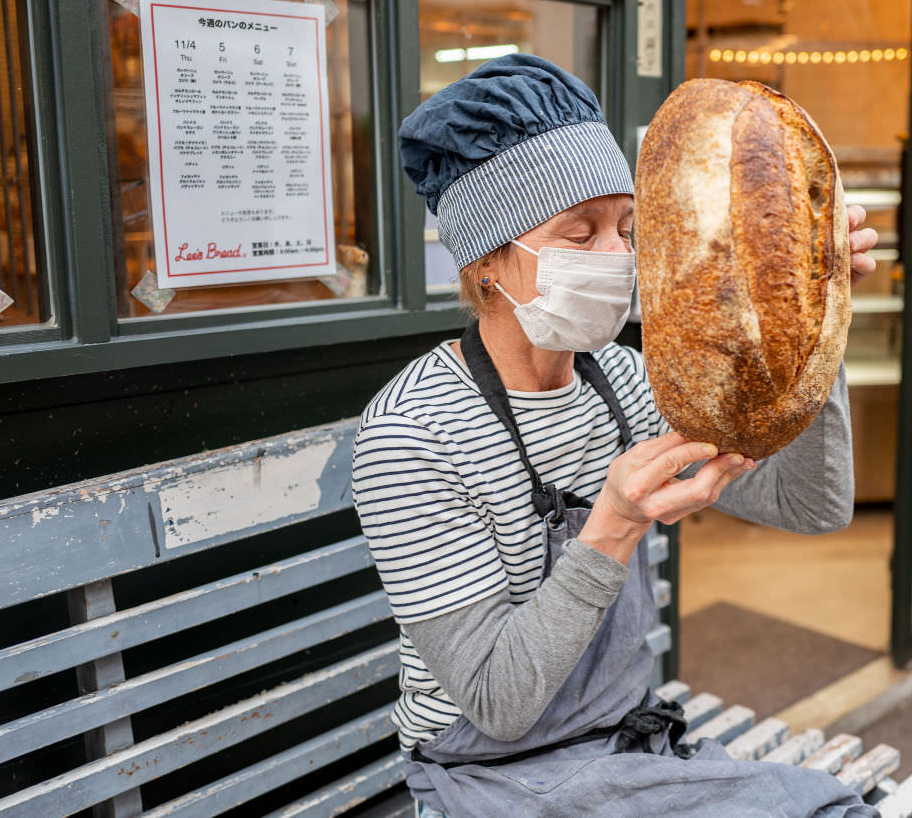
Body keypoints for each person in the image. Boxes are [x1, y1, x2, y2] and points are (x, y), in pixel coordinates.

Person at [350, 54, 880, 817]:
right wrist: (613, 526)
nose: (619, 257)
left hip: (628, 751)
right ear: (489, 260)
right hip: (494, 776)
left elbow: (812, 503)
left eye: (628, 228)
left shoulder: (629, 382)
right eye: (582, 231)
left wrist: (822, 312)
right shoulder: (412, 433)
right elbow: (498, 702)